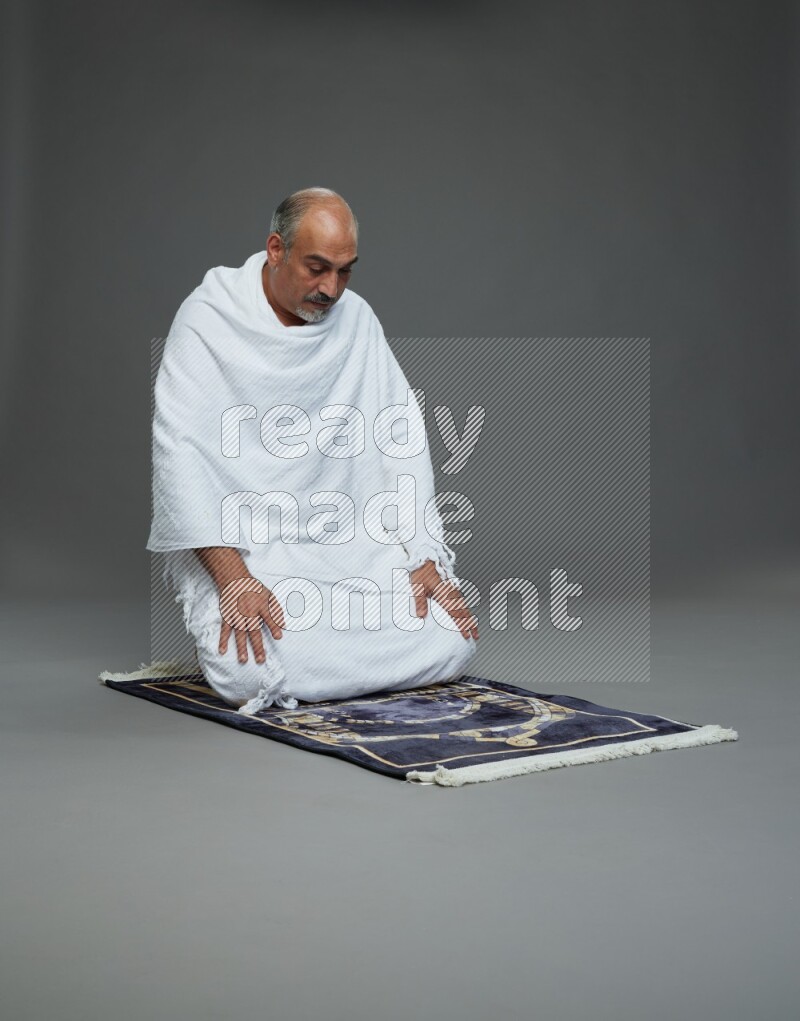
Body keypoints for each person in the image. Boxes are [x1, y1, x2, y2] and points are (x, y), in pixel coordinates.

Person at [147, 187, 479, 714]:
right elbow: (179, 455)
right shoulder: (208, 319)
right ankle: (327, 660)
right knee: (247, 673)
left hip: (348, 544)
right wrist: (234, 579)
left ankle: (325, 667)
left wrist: (421, 557)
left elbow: (399, 442)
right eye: (317, 268)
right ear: (276, 249)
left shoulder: (358, 321)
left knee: (452, 635)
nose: (331, 289)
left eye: (346, 271)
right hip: (250, 553)